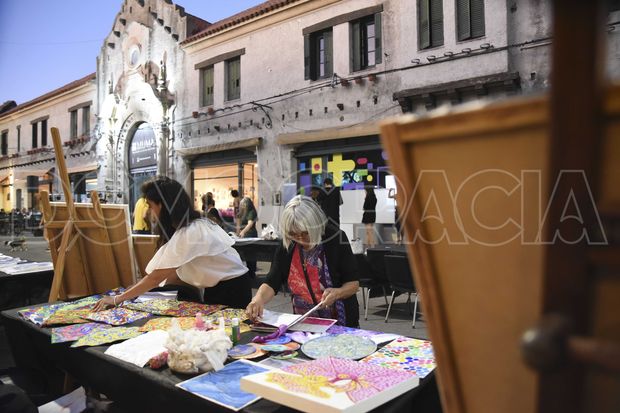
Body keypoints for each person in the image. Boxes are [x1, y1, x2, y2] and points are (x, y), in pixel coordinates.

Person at [94, 176, 251, 310]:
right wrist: (137, 291)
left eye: (150, 205)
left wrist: (117, 299)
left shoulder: (189, 232)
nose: (149, 211)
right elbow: (171, 272)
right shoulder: (194, 225)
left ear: (162, 205)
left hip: (230, 290)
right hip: (228, 286)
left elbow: (156, 277)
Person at [246, 195, 360, 327]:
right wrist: (258, 299)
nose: (300, 239)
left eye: (306, 233)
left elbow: (353, 283)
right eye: (294, 233)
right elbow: (272, 281)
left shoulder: (335, 238)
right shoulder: (288, 244)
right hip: (303, 323)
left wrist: (337, 293)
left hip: (340, 322)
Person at [238, 197, 258, 278]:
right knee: (247, 255)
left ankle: (252, 273)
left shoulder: (252, 212)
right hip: (245, 235)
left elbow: (250, 224)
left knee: (251, 254)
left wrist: (243, 232)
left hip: (251, 235)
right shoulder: (244, 212)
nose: (242, 206)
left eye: (244, 205)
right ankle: (249, 272)